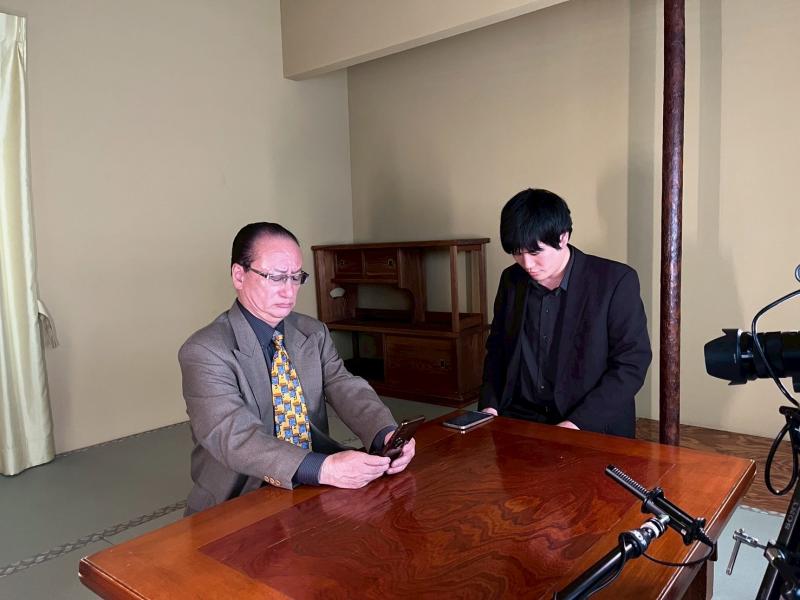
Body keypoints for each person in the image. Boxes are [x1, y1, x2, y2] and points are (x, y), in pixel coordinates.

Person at [179, 222, 415, 514]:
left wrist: (385, 434)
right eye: (276, 277)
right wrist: (323, 468)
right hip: (239, 498)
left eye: (295, 277)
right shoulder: (205, 350)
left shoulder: (312, 332)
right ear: (239, 275)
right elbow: (234, 437)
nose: (289, 291)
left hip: (315, 483)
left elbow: (345, 386)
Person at [478, 189, 652, 438]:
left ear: (563, 237)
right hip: (519, 419)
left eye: (535, 252)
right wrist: (490, 406)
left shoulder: (615, 281)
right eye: (517, 253)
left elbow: (631, 363)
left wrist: (575, 425)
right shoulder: (511, 279)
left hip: (587, 423)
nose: (527, 264)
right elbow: (497, 349)